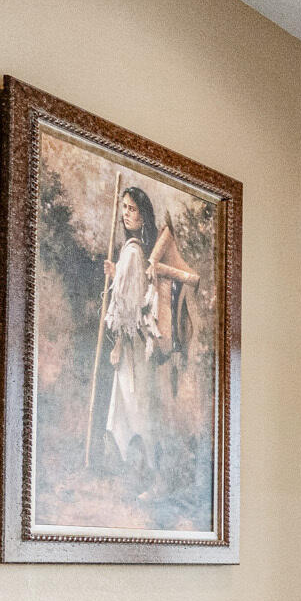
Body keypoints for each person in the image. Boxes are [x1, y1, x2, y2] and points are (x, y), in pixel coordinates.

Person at [96, 184, 198, 484]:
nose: (127, 214)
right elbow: (133, 289)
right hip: (137, 345)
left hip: (132, 344)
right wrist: (117, 276)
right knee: (133, 404)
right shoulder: (135, 253)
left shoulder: (133, 252)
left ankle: (145, 473)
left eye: (133, 209)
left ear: (143, 217)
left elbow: (129, 308)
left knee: (134, 405)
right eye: (124, 208)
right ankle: (135, 471)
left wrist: (117, 343)